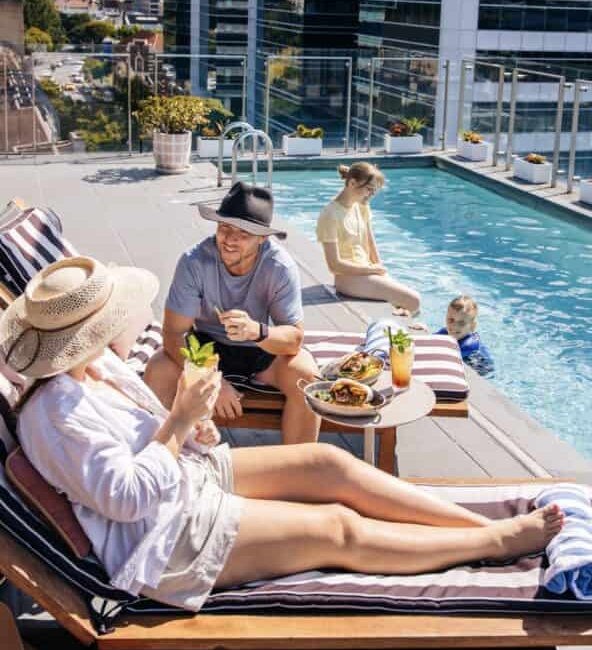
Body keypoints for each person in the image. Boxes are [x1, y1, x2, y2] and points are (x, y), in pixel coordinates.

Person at [3, 257, 564, 612]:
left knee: (326, 463)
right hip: (167, 538)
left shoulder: (96, 368)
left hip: (188, 480)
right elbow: (124, 500)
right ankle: (497, 542)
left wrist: (192, 424)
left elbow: (159, 440)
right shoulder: (55, 414)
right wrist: (176, 422)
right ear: (88, 333)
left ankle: (479, 524)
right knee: (337, 528)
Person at [145, 181, 320, 445]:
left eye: (244, 233)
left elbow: (295, 339)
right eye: (224, 227)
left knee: (307, 377)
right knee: (158, 368)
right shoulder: (194, 261)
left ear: (263, 238)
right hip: (206, 350)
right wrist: (211, 378)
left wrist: (256, 331)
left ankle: (298, 467)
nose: (230, 239)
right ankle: (164, 463)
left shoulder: (280, 267)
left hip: (262, 349)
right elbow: (173, 332)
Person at [316, 162, 421, 314]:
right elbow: (334, 265)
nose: (371, 195)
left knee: (407, 304)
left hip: (368, 272)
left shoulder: (361, 206)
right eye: (369, 189)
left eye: (374, 191)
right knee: (413, 300)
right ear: (352, 183)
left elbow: (370, 242)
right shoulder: (330, 215)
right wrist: (371, 269)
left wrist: (380, 269)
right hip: (348, 278)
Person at [437, 294, 494, 377]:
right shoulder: (445, 332)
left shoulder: (469, 345)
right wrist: (424, 329)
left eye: (461, 323)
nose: (454, 326)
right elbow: (430, 340)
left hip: (481, 370)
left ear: (472, 326)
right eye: (451, 320)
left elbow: (447, 355)